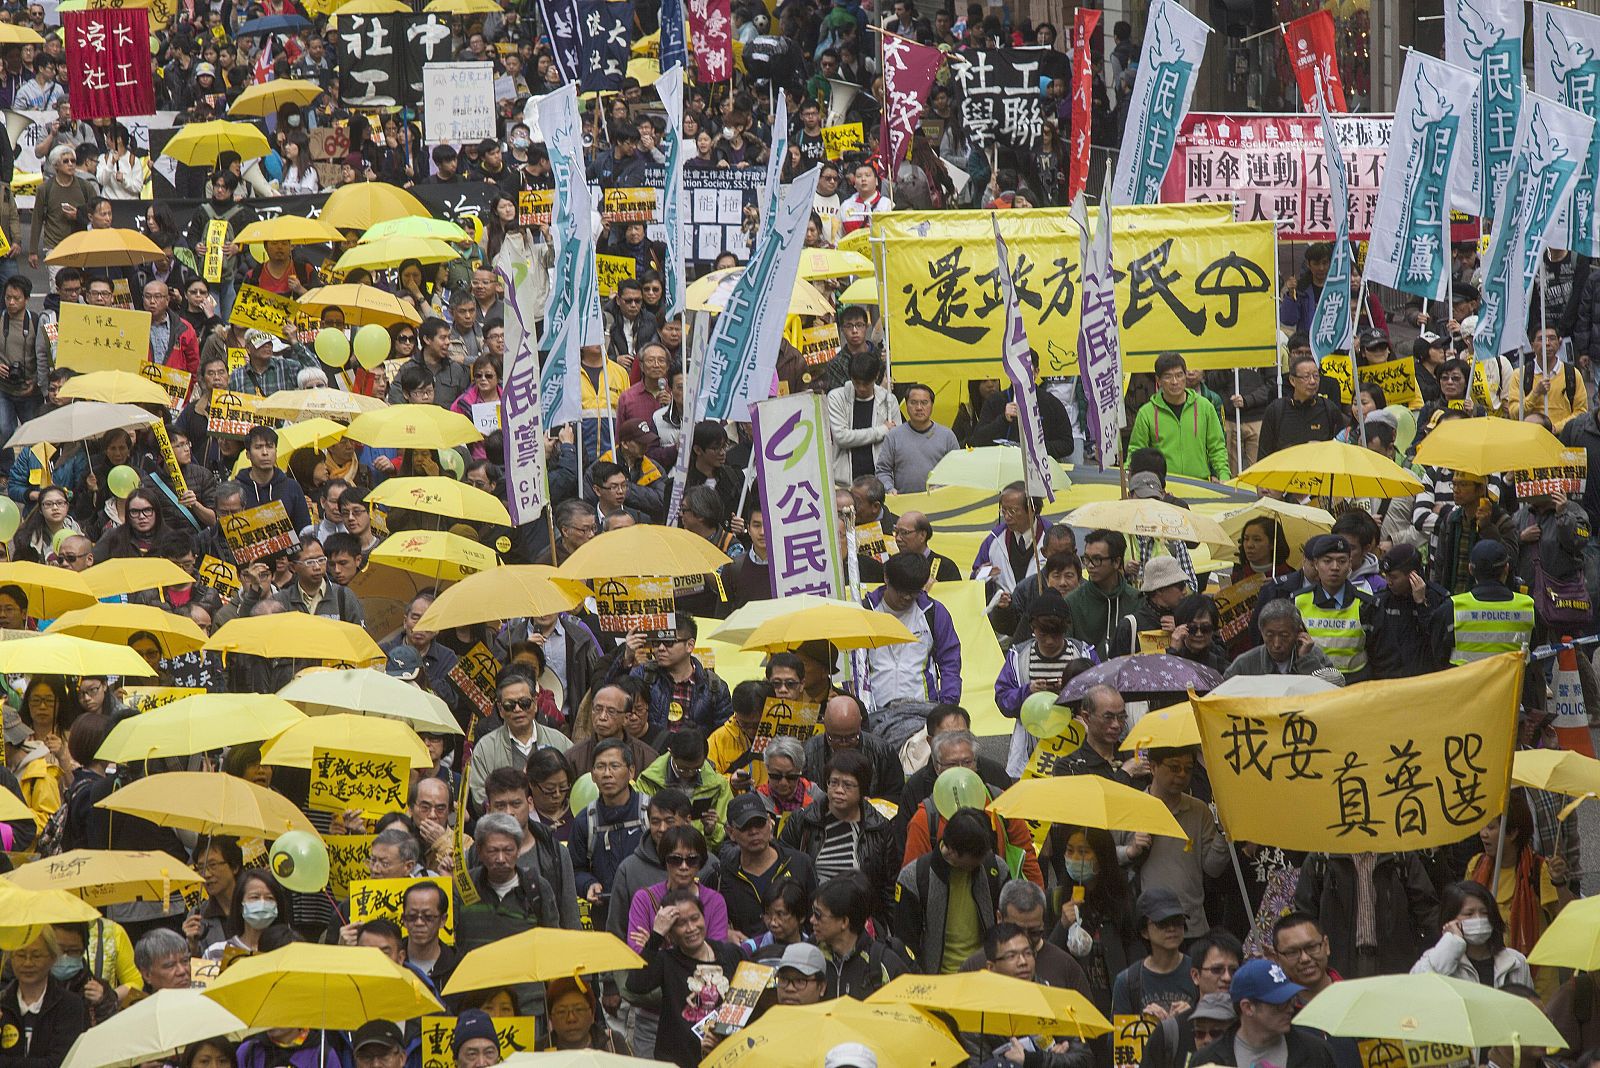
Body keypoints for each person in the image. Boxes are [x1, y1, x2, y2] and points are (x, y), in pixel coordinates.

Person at [1114, 744, 1229, 939]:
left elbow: (1212, 868)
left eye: (1188, 769)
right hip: (1147, 925)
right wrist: (1130, 851)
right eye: (1174, 767)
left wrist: (1223, 835)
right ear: (1153, 767)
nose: (1182, 775)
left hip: (1191, 924)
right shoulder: (1131, 807)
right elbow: (1108, 856)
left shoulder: (1199, 810)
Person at [778, 749, 900, 928]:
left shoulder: (879, 828)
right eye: (833, 782)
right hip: (811, 921)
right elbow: (782, 871)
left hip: (859, 924)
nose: (839, 790)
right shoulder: (802, 821)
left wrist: (886, 929)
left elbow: (888, 888)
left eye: (848, 785)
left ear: (862, 789)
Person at [625, 887, 741, 1068]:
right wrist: (655, 936)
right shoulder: (666, 960)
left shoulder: (731, 954)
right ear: (670, 933)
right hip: (678, 1060)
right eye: (681, 924)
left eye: (695, 918)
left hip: (727, 1057)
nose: (691, 928)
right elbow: (635, 984)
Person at [1292, 851, 1438, 978]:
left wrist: (1432, 957)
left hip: (1395, 962)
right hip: (1338, 964)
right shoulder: (1321, 858)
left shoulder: (1400, 855)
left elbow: (1427, 911)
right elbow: (1304, 919)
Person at [1191, 958, 1337, 1068]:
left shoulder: (1316, 1052)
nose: (1290, 1008)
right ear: (1248, 1007)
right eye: (1280, 1003)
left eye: (1291, 1000)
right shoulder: (1207, 1060)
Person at [861, 553, 962, 706]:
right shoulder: (865, 611)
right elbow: (852, 665)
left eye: (914, 592)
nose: (907, 597)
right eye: (901, 591)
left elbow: (950, 663)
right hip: (875, 710)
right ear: (886, 578)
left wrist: (948, 704)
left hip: (924, 710)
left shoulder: (933, 612)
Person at [1139, 931, 1245, 1068]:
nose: (1227, 977)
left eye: (1233, 970)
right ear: (1195, 976)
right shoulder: (1171, 1033)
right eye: (1217, 969)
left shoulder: (1251, 1026)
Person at [467, 669, 572, 807]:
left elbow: (574, 786)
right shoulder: (485, 748)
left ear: (535, 704)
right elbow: (479, 797)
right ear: (500, 709)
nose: (517, 709)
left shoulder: (560, 741)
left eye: (524, 703)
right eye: (509, 705)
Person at [1431, 540, 1536, 670]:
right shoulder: (1528, 606)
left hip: (1467, 682)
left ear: (1470, 569)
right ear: (1506, 568)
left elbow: (1438, 654)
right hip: (1512, 683)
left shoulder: (1452, 608)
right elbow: (1535, 648)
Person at [1127, 352, 1231, 481]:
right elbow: (1136, 451)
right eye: (1168, 377)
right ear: (1158, 380)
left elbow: (1217, 448)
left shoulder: (1205, 407)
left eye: (1179, 375)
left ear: (1185, 376)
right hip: (1163, 485)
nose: (1175, 382)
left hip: (1199, 483)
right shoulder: (1146, 413)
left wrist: (1224, 476)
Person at [1411, 880, 1532, 987]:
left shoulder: (1515, 961)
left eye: (1484, 912)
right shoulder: (1437, 957)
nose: (1478, 919)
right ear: (1451, 919)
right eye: (1469, 914)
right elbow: (1418, 986)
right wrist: (1452, 942)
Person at [1292, 534, 1377, 682]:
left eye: (1342, 561)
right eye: (1327, 561)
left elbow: (1380, 652)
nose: (1335, 567)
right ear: (1316, 564)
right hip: (1312, 680)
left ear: (1350, 564)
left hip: (1356, 682)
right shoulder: (1298, 601)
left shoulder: (1366, 603)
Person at [0, 929, 87, 1068]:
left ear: (53, 957)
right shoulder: (3, 1003)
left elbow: (58, 1063)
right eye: (21, 955)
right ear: (11, 957)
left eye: (36, 956)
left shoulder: (70, 1005)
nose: (28, 963)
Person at [636, 729, 733, 849]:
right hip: (659, 850)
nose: (690, 773)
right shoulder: (648, 781)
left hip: (701, 852)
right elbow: (642, 825)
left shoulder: (718, 786)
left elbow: (728, 832)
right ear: (671, 753)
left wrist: (712, 830)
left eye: (697, 768)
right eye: (683, 769)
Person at [801, 695, 905, 805]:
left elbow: (897, 796)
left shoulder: (882, 753)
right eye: (836, 738)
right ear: (825, 727)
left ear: (860, 724)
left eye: (851, 737)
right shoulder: (808, 753)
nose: (844, 743)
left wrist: (872, 804)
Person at [1111, 888, 1198, 1019]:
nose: (1171, 928)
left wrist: (1193, 1017)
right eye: (1162, 923)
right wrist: (1145, 1023)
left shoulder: (1201, 972)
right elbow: (1119, 1032)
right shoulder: (1127, 982)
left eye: (1177, 920)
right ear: (1144, 931)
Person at [1066, 530, 1141, 659]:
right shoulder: (1072, 602)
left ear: (1116, 562)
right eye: (1086, 559)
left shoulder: (1137, 600)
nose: (1090, 565)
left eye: (1097, 559)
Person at [1257, 354, 1344, 459]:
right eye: (1306, 377)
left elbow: (1340, 450)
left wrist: (1322, 448)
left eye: (1316, 376)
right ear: (1292, 380)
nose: (1312, 381)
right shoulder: (1276, 410)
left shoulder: (1329, 409)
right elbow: (1264, 454)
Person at [876, 384, 958, 493]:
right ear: (906, 405)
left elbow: (956, 471)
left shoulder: (947, 436)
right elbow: (882, 470)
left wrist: (941, 487)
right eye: (913, 402)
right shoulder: (894, 436)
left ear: (932, 405)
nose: (919, 407)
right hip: (903, 499)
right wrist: (889, 488)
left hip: (938, 498)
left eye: (924, 403)